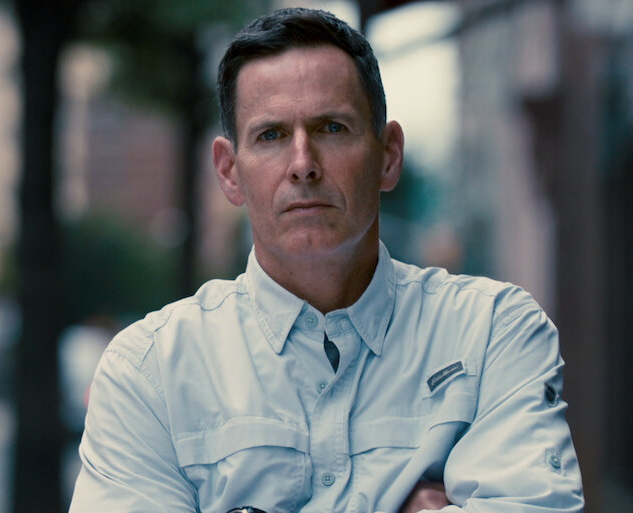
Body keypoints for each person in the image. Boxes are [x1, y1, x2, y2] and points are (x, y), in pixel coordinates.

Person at [68, 7, 584, 513]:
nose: (302, 164)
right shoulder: (150, 371)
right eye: (271, 135)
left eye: (332, 128)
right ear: (229, 171)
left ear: (388, 155)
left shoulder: (491, 333)